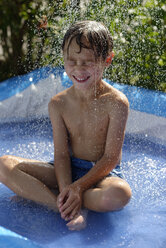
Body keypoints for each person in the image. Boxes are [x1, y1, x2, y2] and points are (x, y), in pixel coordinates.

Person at [0, 20, 132, 231]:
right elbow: (61, 155)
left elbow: (111, 158)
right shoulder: (58, 103)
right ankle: (65, 207)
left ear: (107, 60)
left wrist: (78, 187)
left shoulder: (116, 103)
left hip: (101, 175)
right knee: (4, 164)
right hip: (66, 170)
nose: (79, 68)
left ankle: (43, 195)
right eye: (72, 60)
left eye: (87, 62)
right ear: (63, 56)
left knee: (119, 195)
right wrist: (67, 189)